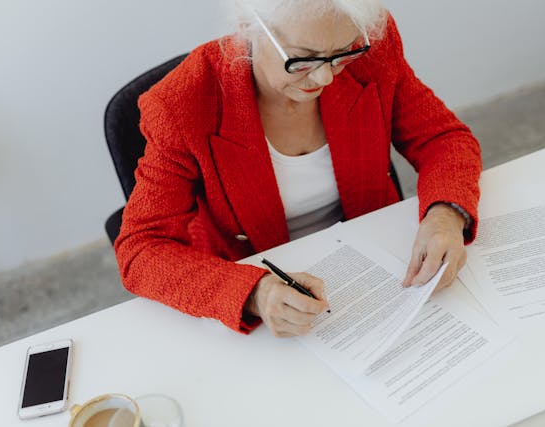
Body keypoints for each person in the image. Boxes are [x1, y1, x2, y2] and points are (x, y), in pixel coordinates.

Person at [114, 0, 482, 338]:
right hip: (260, 281)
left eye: (342, 54)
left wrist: (445, 214)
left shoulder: (371, 47)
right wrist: (254, 293)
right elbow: (140, 249)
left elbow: (443, 139)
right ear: (248, 26)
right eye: (302, 59)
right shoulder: (182, 104)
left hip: (375, 262)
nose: (325, 79)